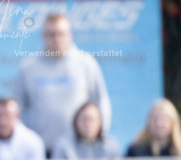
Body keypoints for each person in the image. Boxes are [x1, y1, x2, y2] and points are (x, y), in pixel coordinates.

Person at [13, 13, 112, 150]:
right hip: (41, 149)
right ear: (43, 36)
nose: (57, 39)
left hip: (79, 149)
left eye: (61, 34)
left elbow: (101, 102)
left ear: (69, 35)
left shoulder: (86, 63)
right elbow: (17, 108)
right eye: (51, 34)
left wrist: (99, 135)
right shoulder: (28, 68)